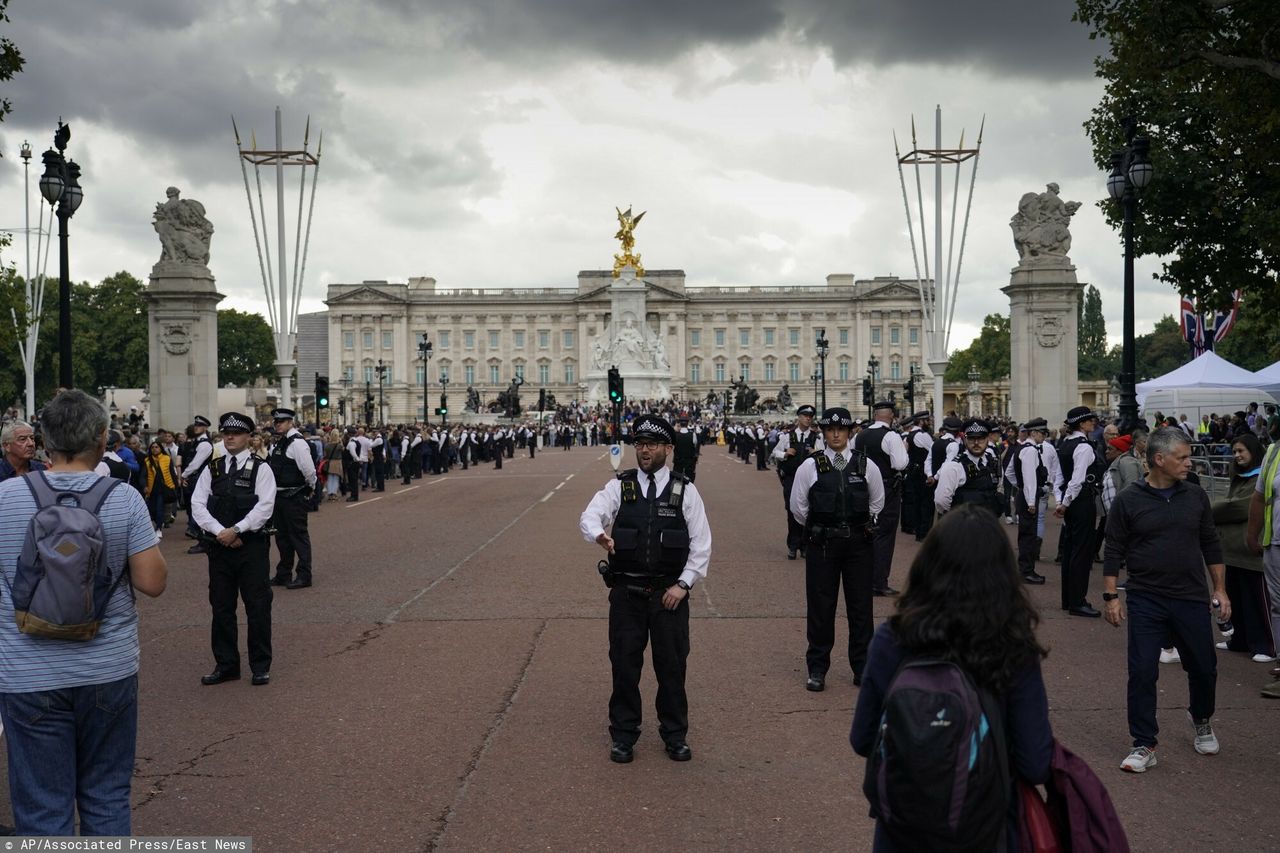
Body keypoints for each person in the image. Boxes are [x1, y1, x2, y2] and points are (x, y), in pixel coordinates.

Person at [0, 389, 167, 835]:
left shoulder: (5, 498)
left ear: (43, 438)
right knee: (106, 795)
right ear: (101, 436)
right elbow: (153, 584)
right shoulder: (124, 497)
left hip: (28, 670)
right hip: (106, 668)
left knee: (41, 807)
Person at [850, 504, 1052, 852]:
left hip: (902, 827)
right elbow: (1034, 762)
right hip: (985, 827)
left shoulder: (893, 637)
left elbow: (863, 738)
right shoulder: (1013, 644)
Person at [579, 414, 712, 764]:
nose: (644, 450)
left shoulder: (685, 490)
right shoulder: (619, 487)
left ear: (668, 448)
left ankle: (674, 734)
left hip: (669, 596)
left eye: (652, 444)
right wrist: (599, 535)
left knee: (671, 668)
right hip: (627, 594)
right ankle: (623, 735)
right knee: (624, 667)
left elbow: (701, 544)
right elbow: (590, 515)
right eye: (639, 444)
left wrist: (684, 585)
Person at [1104, 427, 1227, 772]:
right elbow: (1113, 548)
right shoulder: (1129, 500)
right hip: (1146, 597)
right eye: (1183, 457)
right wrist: (1111, 595)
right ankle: (1144, 743)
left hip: (1189, 596)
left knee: (1203, 667)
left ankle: (1200, 718)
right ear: (1159, 460)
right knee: (1142, 671)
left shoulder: (1195, 495)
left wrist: (1220, 588)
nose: (1189, 463)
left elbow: (1210, 543)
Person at [790, 407, 885, 691]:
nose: (835, 434)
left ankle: (863, 666)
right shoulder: (810, 466)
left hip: (858, 544)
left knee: (860, 608)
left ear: (849, 432)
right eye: (830, 430)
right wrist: (822, 526)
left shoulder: (866, 465)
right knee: (821, 607)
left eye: (840, 430)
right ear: (823, 432)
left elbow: (877, 502)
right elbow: (798, 508)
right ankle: (817, 668)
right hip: (824, 544)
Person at [190, 412, 277, 687]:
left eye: (236, 433)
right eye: (226, 432)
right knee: (221, 607)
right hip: (219, 548)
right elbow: (197, 504)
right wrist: (220, 532)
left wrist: (237, 530)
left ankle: (260, 666)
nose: (229, 437)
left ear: (249, 437)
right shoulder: (212, 468)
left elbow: (265, 507)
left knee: (257, 607)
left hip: (250, 547)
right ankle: (226, 665)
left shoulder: (261, 468)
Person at [1212, 434, 1275, 662]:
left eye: (1241, 451)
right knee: (1236, 599)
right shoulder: (1239, 476)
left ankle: (1266, 645)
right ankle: (1239, 640)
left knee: (1258, 601)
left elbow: (1238, 507)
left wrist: (1207, 511)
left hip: (1252, 550)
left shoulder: (1259, 475)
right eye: (1235, 451)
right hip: (1232, 550)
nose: (1237, 456)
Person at [1053, 407, 1104, 617]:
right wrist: (1065, 503)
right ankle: (1078, 601)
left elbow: (1058, 478)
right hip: (1081, 500)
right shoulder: (1084, 447)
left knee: (1070, 549)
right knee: (1082, 551)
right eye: (1090, 420)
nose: (1093, 423)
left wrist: (1059, 500)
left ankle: (1068, 599)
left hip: (1069, 500)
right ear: (1082, 424)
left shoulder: (1065, 444)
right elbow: (1077, 479)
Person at [854, 401, 908, 596]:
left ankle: (863, 578)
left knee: (865, 532)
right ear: (891, 416)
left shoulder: (860, 435)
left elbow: (855, 459)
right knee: (884, 534)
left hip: (862, 487)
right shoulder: (891, 436)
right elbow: (900, 464)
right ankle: (879, 581)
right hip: (886, 488)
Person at [268, 408, 318, 589]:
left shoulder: (297, 443)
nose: (277, 425)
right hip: (280, 496)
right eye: (276, 422)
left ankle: (304, 575)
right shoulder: (281, 442)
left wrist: (311, 488)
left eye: (281, 422)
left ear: (290, 422)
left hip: (294, 495)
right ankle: (284, 573)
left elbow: (309, 470)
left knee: (298, 536)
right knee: (282, 537)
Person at [1247, 433, 1280, 698]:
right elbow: (1259, 497)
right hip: (1276, 543)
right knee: (1278, 608)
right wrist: (1252, 533)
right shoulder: (1273, 451)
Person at [771, 404, 823, 560]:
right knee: (792, 511)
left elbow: (824, 457)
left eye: (810, 417)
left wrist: (817, 453)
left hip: (809, 480)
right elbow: (775, 452)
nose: (808, 419)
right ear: (798, 417)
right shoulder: (788, 436)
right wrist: (785, 453)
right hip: (791, 478)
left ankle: (805, 545)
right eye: (805, 416)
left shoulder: (816, 437)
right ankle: (793, 545)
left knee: (808, 512)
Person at [1010, 417, 1056, 584]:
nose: (1044, 436)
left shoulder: (1021, 448)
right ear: (1034, 433)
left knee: (1026, 534)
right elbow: (1030, 478)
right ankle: (1026, 571)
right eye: (1043, 433)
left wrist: (1020, 487)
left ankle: (1026, 570)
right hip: (1029, 496)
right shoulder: (1030, 450)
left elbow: (1009, 473)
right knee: (1029, 535)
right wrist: (1030, 501)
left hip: (1023, 493)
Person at [933, 418, 1004, 518]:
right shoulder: (954, 466)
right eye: (971, 438)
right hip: (963, 526)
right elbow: (941, 501)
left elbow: (999, 488)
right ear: (965, 440)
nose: (976, 443)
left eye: (981, 438)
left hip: (988, 524)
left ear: (987, 439)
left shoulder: (994, 462)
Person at [182, 416, 215, 553]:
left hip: (201, 478)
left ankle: (203, 540)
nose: (196, 427)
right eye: (195, 425)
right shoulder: (197, 442)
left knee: (200, 507)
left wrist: (184, 475)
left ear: (205, 428)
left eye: (200, 425)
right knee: (195, 507)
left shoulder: (204, 444)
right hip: (196, 478)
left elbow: (196, 464)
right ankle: (201, 539)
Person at [900, 411, 933, 540]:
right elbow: (932, 450)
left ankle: (919, 530)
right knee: (925, 504)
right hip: (922, 473)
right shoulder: (922, 435)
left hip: (913, 472)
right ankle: (924, 532)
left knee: (917, 502)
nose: (929, 423)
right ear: (921, 421)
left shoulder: (910, 435)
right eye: (927, 420)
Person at [142, 439, 180, 535]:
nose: (154, 449)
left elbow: (171, 472)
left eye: (157, 447)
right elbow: (143, 475)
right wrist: (144, 486)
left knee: (159, 508)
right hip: (152, 489)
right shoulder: (147, 461)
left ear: (160, 448)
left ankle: (158, 528)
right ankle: (159, 522)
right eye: (152, 447)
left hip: (164, 487)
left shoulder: (166, 458)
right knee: (152, 509)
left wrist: (175, 485)